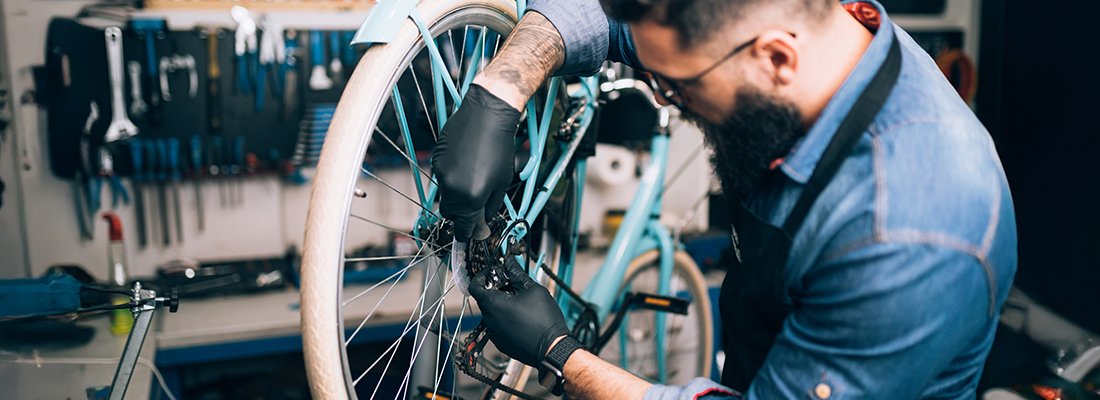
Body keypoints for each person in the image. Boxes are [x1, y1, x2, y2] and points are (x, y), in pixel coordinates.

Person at [430, 0, 1018, 398]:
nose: (664, 101)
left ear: (776, 59)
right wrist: (501, 86)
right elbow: (610, 19)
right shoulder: (798, 34)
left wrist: (561, 355)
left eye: (678, 85)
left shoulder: (910, 235)